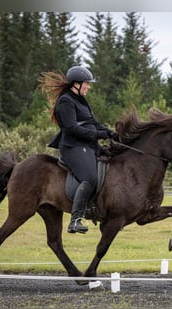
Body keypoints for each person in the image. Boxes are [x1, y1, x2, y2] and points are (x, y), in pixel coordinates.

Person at [39, 66, 118, 234]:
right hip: (73, 146)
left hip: (87, 145)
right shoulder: (65, 101)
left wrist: (111, 133)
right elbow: (72, 129)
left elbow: (94, 123)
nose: (89, 87)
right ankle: (75, 219)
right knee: (90, 177)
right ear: (76, 84)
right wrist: (99, 134)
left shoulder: (81, 100)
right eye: (87, 84)